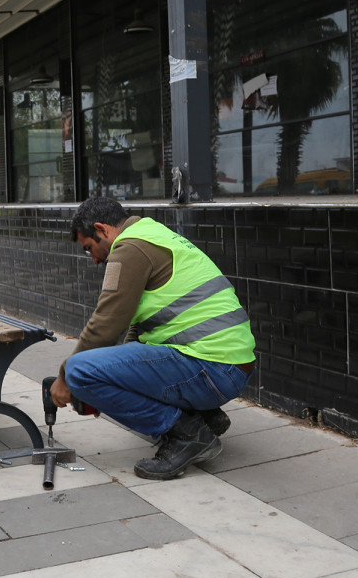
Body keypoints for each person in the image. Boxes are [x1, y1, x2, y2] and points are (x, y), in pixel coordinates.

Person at [49, 196, 255, 480]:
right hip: (231, 365)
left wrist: (67, 379)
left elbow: (107, 323)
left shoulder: (130, 248)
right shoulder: (154, 234)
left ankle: (188, 434)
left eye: (90, 249)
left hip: (212, 368)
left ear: (102, 229)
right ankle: (204, 416)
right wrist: (110, 383)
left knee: (79, 370)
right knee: (99, 371)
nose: (95, 260)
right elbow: (138, 330)